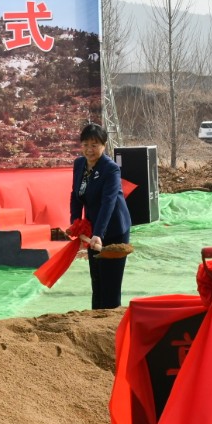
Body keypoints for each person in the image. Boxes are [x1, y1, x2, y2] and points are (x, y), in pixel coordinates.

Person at [70, 122, 132, 309]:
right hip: (92, 228)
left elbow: (108, 202)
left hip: (113, 228)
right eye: (85, 145)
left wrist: (99, 233)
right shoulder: (79, 164)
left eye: (94, 145)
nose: (89, 149)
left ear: (104, 146)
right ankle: (96, 315)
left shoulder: (110, 168)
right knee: (96, 277)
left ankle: (111, 319)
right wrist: (75, 223)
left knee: (110, 281)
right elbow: (75, 195)